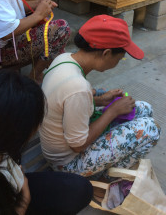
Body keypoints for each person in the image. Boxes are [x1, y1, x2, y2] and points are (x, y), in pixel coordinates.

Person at [0, 69, 93, 215]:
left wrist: (17, 181)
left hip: (8, 189)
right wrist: (23, 203)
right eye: (36, 124)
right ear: (12, 137)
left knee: (79, 190)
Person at [39, 14, 161, 177]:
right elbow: (78, 145)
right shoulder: (78, 87)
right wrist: (112, 111)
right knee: (151, 129)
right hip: (67, 163)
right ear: (106, 53)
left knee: (143, 108)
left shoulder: (65, 58)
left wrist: (100, 100)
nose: (119, 62)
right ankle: (108, 177)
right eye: (120, 58)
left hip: (60, 143)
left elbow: (66, 103)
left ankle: (110, 164)